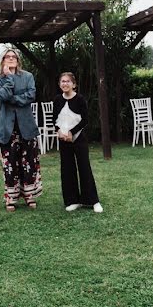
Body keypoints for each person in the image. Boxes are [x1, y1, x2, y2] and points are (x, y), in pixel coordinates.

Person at [0, 48, 41, 211]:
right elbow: (2, 97)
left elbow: (31, 95)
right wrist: (9, 78)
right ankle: (10, 198)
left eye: (14, 57)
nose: (11, 59)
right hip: (7, 128)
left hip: (26, 126)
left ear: (18, 61)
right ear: (3, 61)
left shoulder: (28, 77)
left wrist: (13, 99)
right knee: (10, 163)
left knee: (29, 162)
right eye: (7, 57)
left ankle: (29, 195)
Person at [53, 72, 102, 213]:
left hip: (78, 138)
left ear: (73, 84)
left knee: (84, 167)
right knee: (67, 168)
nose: (65, 84)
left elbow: (85, 120)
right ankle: (72, 200)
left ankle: (93, 200)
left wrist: (71, 132)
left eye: (68, 81)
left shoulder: (80, 99)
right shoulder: (57, 100)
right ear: (59, 84)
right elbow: (54, 119)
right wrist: (59, 131)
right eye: (62, 81)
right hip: (63, 139)